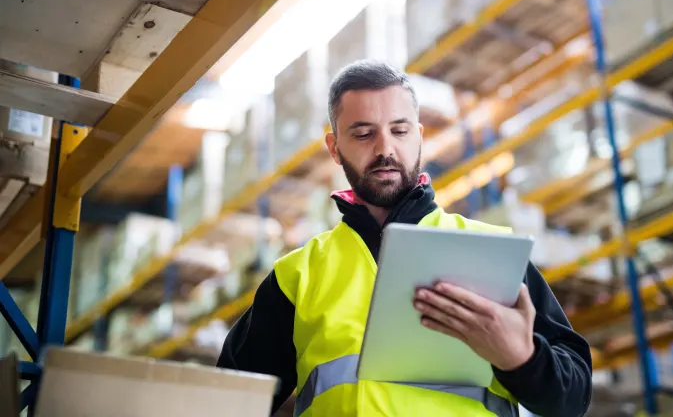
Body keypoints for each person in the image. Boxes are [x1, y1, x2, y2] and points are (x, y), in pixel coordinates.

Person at [217, 60, 592, 417]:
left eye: (399, 130)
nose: (385, 149)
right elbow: (225, 403)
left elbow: (573, 399)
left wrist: (523, 359)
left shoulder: (492, 252)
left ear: (419, 136)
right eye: (363, 134)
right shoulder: (297, 278)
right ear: (334, 148)